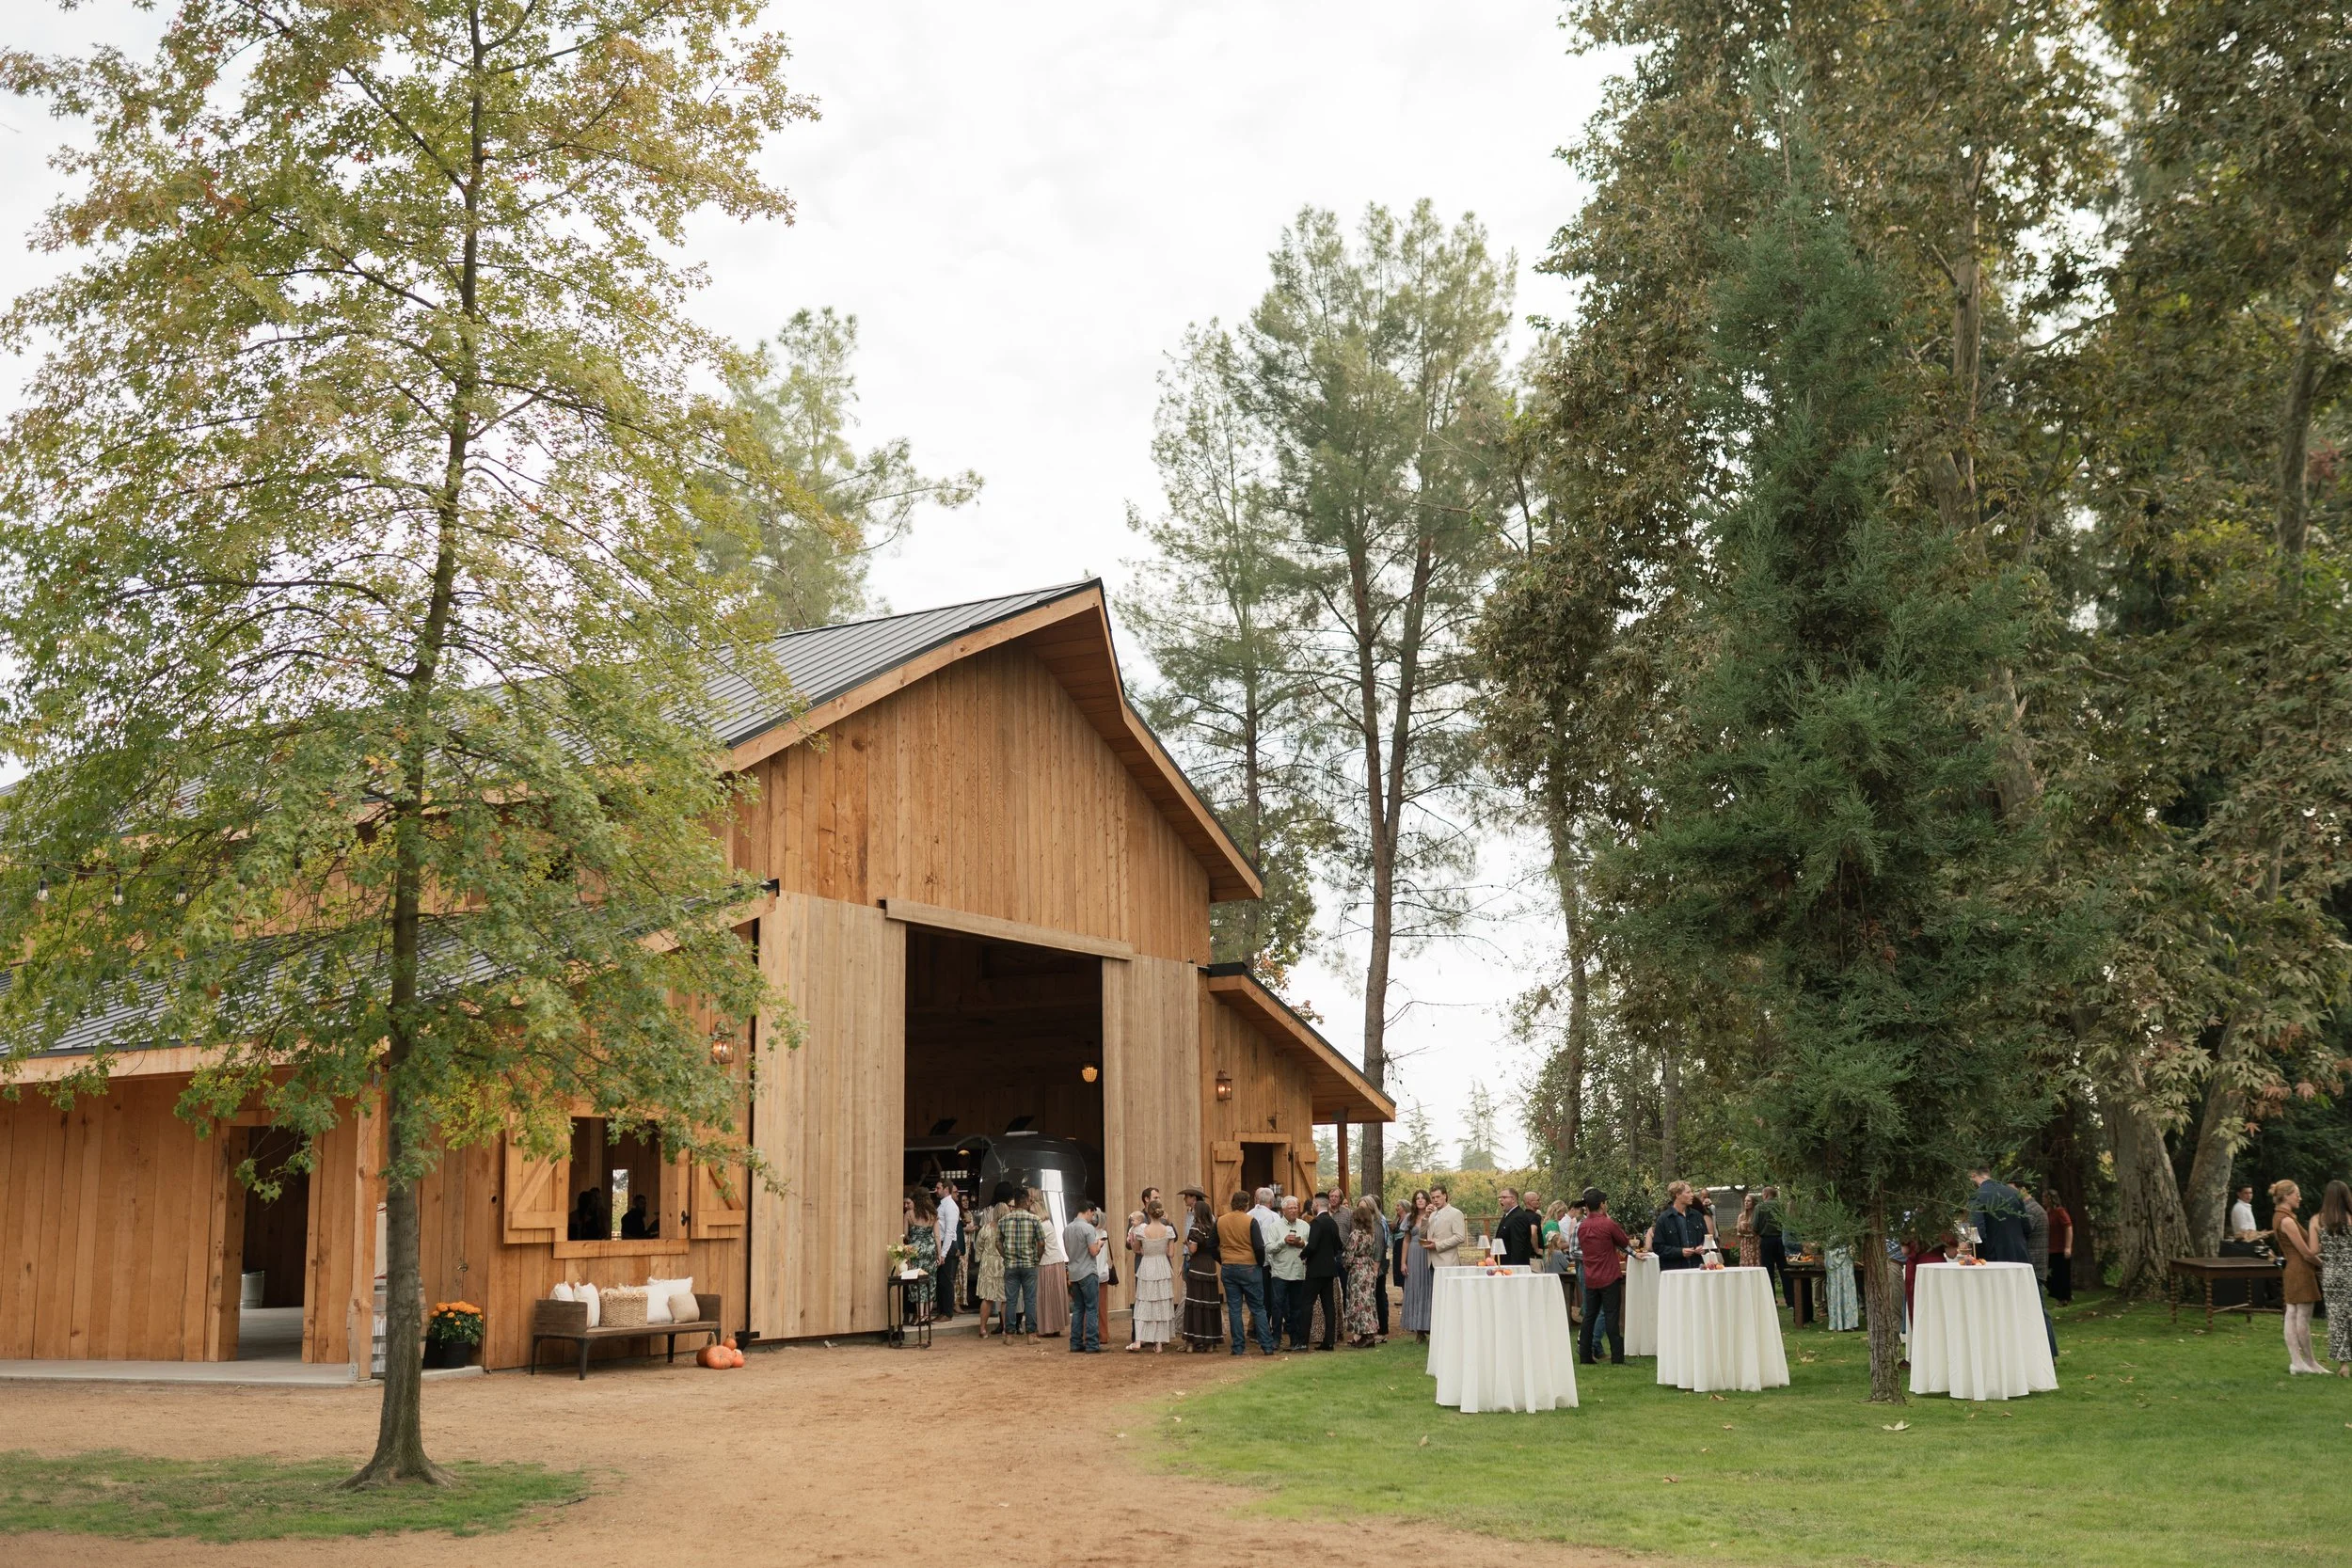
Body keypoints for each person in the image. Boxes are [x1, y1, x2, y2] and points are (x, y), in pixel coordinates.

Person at [2273, 1179, 2328, 1374]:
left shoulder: (2281, 1217)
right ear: (2286, 1196)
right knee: (2301, 1317)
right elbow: (2306, 1253)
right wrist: (2323, 1265)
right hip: (2300, 1270)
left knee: (2292, 1315)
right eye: (2297, 1193)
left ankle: (2299, 1362)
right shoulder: (2287, 1220)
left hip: (2293, 1269)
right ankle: (2307, 1362)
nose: (2300, 1197)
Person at [1576, 1187, 1632, 1365]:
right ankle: (1617, 1356)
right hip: (1609, 1275)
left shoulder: (1582, 1226)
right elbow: (1624, 1241)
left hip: (1591, 1275)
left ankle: (1584, 1355)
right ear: (1602, 1204)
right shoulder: (1608, 1224)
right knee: (1611, 1316)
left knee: (1589, 1316)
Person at [1216, 1191, 1275, 1355]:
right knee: (1258, 1307)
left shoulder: (1221, 1221)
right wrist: (1259, 1262)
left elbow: (1212, 1243)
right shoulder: (1250, 1221)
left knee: (1234, 1308)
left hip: (1229, 1266)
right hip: (1249, 1266)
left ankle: (1238, 1347)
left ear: (1232, 1203)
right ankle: (1267, 1345)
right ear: (1247, 1204)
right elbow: (1258, 1246)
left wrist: (1223, 1259)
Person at [1130, 1198, 1177, 1354]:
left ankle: (1138, 1340)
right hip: (1162, 1266)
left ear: (1148, 1213)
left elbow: (1137, 1250)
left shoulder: (1141, 1231)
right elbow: (1171, 1253)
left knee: (1143, 1301)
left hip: (1147, 1266)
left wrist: (1147, 1249)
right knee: (1161, 1304)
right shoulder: (1168, 1230)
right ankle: (1159, 1343)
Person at [996, 1190, 1044, 1340]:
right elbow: (1041, 1242)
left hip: (1011, 1265)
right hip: (1029, 1264)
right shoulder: (1034, 1220)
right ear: (1025, 1201)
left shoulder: (1003, 1220)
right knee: (1030, 1300)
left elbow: (998, 1242)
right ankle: (1031, 1334)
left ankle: (1009, 1335)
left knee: (1011, 1300)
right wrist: (1037, 1258)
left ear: (1015, 1202)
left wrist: (1006, 1256)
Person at [2316, 1180, 2352, 1377]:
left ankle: (2344, 1366)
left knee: (2337, 1320)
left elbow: (2313, 1250)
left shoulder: (2318, 1220)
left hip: (2331, 1275)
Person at [1182, 1192, 1224, 1352]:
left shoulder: (1195, 1228)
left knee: (1195, 1303)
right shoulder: (1213, 1228)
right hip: (1210, 1268)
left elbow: (1193, 1249)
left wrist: (1187, 1243)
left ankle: (1192, 1343)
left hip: (1197, 1267)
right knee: (1209, 1303)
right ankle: (1210, 1343)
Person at [1063, 1198, 1106, 1353]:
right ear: (1088, 1211)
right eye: (1092, 1214)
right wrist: (1099, 1244)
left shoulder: (1067, 1229)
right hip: (1088, 1271)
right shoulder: (1088, 1229)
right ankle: (1092, 1344)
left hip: (1074, 1272)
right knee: (1092, 1309)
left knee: (1078, 1309)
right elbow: (1093, 1251)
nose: (1093, 1217)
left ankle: (1075, 1343)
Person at [1267, 1196, 1311, 1351]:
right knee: (1277, 1307)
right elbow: (1268, 1248)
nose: (1293, 1210)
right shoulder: (1275, 1227)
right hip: (1280, 1272)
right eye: (1290, 1208)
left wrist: (1302, 1243)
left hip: (1299, 1272)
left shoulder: (1305, 1226)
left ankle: (1295, 1339)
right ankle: (1276, 1338)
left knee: (1296, 1308)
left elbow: (1311, 1246)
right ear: (1283, 1210)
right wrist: (1283, 1242)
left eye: (1295, 1207)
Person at [1303, 1192, 1344, 1351]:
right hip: (1330, 1270)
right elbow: (1339, 1245)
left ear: (1317, 1204)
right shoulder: (1332, 1223)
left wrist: (1303, 1254)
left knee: (1306, 1304)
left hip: (1315, 1270)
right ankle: (1329, 1341)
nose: (1312, 1206)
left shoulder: (1317, 1223)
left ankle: (1302, 1340)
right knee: (1329, 1306)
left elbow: (1312, 1246)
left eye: (1313, 1203)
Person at [1966, 1165, 2029, 1264]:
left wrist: (1978, 1257)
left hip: (1993, 1258)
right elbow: (2026, 1227)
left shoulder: (1977, 1196)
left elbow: (1978, 1231)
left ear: (1973, 1175)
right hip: (2019, 1255)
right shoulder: (2013, 1193)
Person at [1342, 1196, 1382, 1347]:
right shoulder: (1371, 1234)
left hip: (1357, 1270)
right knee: (1368, 1302)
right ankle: (1368, 1334)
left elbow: (1349, 1254)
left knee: (1358, 1302)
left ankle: (1364, 1334)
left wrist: (1346, 1264)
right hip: (1368, 1267)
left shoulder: (1356, 1235)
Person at [1401, 1190, 1436, 1340]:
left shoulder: (1434, 1215)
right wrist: (1403, 1262)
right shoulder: (1410, 1217)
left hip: (1429, 1252)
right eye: (1417, 1198)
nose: (1420, 1201)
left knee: (1428, 1288)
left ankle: (1430, 1326)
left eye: (1423, 1198)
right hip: (1414, 1254)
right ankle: (1418, 1330)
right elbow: (1406, 1240)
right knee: (1415, 1287)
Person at [1035, 1192, 1071, 1338]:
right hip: (1056, 1261)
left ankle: (1047, 1327)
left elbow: (1039, 1245)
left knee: (1047, 1296)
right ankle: (1055, 1325)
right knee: (1055, 1296)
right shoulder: (1048, 1223)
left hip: (1047, 1262)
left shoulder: (1041, 1226)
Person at [1652, 1180, 1708, 1272]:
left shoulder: (1697, 1216)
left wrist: (1703, 1247)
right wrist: (1680, 1252)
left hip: (1697, 1269)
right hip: (1674, 1271)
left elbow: (1707, 1238)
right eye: (1688, 1192)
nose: (1692, 1195)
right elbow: (1658, 1248)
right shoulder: (1664, 1219)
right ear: (1677, 1195)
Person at [903, 1190, 940, 1321]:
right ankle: (927, 1315)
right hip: (930, 1249)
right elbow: (937, 1236)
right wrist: (939, 1254)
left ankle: (919, 1315)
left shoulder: (909, 1214)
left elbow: (905, 1235)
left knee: (917, 1281)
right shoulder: (933, 1215)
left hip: (915, 1250)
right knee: (930, 1281)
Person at [974, 1194, 1006, 1338]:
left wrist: (979, 1258)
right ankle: (1006, 1329)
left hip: (987, 1264)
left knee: (987, 1298)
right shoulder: (1007, 1229)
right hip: (1003, 1263)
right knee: (1005, 1298)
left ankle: (983, 1329)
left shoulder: (986, 1228)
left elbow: (978, 1246)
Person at [930, 1179, 961, 1323]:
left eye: (938, 1188)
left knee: (947, 1280)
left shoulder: (951, 1206)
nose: (936, 1190)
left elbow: (950, 1231)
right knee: (941, 1280)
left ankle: (947, 1313)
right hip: (942, 1244)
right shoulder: (943, 1205)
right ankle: (942, 1311)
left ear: (946, 1189)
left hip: (947, 1245)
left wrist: (943, 1253)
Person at [1422, 1183, 1469, 1271]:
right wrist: (1426, 1217)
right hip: (1431, 1263)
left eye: (1438, 1197)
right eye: (1433, 1198)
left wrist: (1437, 1245)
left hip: (1448, 1263)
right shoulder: (1431, 1214)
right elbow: (1422, 1234)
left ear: (1445, 1196)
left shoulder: (1455, 1213)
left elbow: (1460, 1237)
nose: (1435, 1200)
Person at [1756, 1186, 1788, 1307]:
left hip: (1766, 1240)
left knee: (1768, 1271)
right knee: (1784, 1270)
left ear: (1765, 1195)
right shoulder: (1781, 1206)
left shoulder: (1760, 1207)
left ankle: (1770, 1300)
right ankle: (1790, 1300)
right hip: (1781, 1239)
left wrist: (1761, 1232)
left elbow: (1755, 1225)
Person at [1498, 1187, 1541, 1266]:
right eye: (1500, 1198)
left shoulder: (1518, 1217)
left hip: (1513, 1268)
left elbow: (1518, 1247)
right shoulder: (1508, 1216)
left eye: (1504, 1197)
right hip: (1504, 1265)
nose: (1501, 1200)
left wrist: (1514, 1270)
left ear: (1513, 1199)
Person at [2045, 1193, 2075, 1305]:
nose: (2043, 1200)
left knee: (2061, 1274)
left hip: (2060, 1249)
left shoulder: (2060, 1211)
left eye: (2045, 1197)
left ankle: (2064, 1298)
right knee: (2052, 1275)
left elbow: (2068, 1227)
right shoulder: (2048, 1213)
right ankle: (2060, 1295)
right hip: (2051, 1249)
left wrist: (2067, 1247)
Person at [1735, 1193, 1761, 1269]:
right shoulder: (1741, 1216)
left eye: (1749, 1201)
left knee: (1756, 1263)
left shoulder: (1757, 1215)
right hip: (1745, 1242)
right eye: (1745, 1201)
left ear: (1753, 1202)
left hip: (1755, 1242)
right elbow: (1738, 1231)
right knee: (1746, 1264)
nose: (1746, 1203)